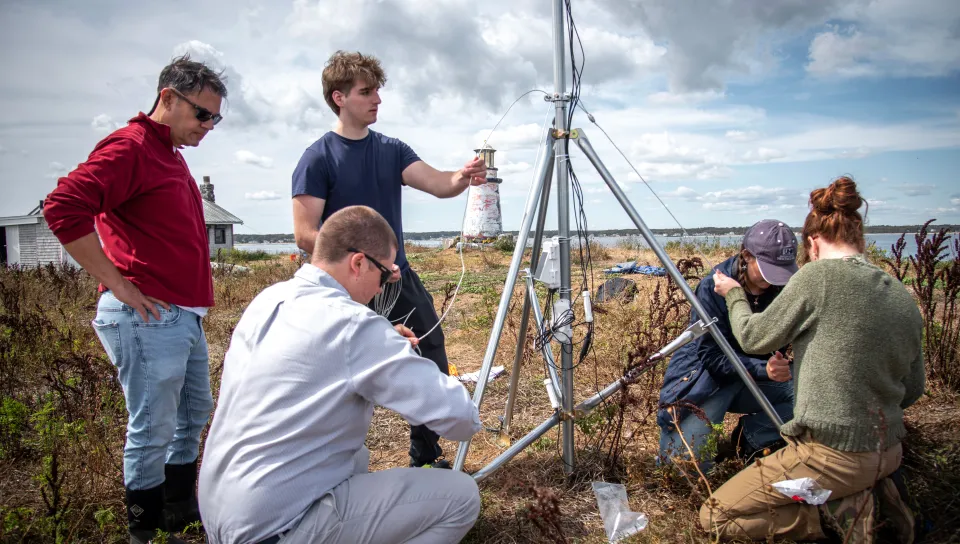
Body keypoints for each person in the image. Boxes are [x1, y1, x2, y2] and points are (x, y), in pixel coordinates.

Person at [198, 205, 483, 544]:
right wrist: (396, 354)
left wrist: (380, 343)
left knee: (357, 456)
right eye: (384, 273)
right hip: (274, 529)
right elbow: (461, 420)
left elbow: (320, 353)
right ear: (358, 263)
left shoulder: (270, 299)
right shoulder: (353, 325)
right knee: (461, 497)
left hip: (221, 515)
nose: (381, 289)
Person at [42, 55, 226, 544]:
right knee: (153, 428)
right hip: (147, 316)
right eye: (202, 114)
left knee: (192, 413)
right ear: (168, 97)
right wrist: (118, 282)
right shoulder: (131, 147)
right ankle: (142, 532)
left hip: (181, 315)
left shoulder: (170, 153)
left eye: (216, 118)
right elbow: (62, 206)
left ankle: (179, 514)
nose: (209, 125)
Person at [291, 50, 487, 469]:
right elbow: (305, 233)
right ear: (338, 97)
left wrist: (463, 176)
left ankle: (425, 455)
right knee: (334, 371)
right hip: (341, 287)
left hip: (397, 278)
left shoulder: (391, 149)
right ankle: (330, 463)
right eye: (366, 91)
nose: (377, 99)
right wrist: (358, 262)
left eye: (378, 90)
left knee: (430, 350)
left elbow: (438, 183)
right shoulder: (317, 157)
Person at [703, 177, 925, 542]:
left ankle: (829, 520)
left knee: (715, 517)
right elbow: (913, 390)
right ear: (861, 238)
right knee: (847, 474)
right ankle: (864, 497)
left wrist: (735, 294)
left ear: (811, 243)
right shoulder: (900, 295)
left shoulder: (817, 277)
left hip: (831, 455)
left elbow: (753, 337)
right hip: (889, 453)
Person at [657, 219, 798, 471]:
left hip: (758, 379)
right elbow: (712, 358)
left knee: (810, 398)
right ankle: (704, 432)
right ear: (746, 256)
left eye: (781, 270)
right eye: (767, 269)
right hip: (708, 381)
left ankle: (753, 435)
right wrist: (763, 369)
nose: (774, 279)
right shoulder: (712, 288)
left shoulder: (784, 288)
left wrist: (778, 363)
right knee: (682, 466)